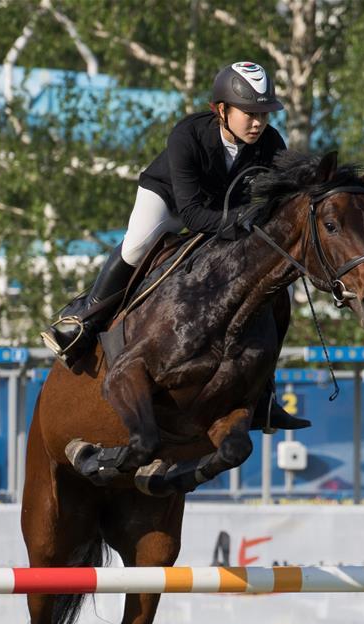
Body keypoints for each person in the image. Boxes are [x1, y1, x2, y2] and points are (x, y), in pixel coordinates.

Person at [42, 61, 308, 430]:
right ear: (221, 110)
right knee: (137, 247)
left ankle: (265, 391)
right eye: (250, 113)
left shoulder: (271, 143)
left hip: (227, 213)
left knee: (273, 290)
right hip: (169, 202)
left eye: (264, 113)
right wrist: (242, 218)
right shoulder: (187, 135)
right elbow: (194, 215)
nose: (258, 122)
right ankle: (84, 320)